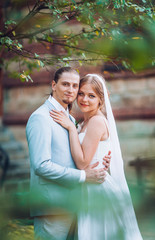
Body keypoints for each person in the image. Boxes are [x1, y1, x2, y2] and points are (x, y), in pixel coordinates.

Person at [50, 73, 143, 240]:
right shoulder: (86, 121)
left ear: (101, 99)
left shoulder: (97, 122)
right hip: (86, 186)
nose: (84, 99)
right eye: (81, 93)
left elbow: (83, 163)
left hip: (97, 189)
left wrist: (71, 129)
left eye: (91, 96)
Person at [26, 67, 111, 240]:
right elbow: (41, 166)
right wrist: (82, 176)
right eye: (65, 84)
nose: (70, 90)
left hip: (76, 204)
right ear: (53, 85)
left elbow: (78, 154)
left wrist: (101, 160)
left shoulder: (70, 119)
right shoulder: (40, 118)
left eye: (74, 86)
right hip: (52, 208)